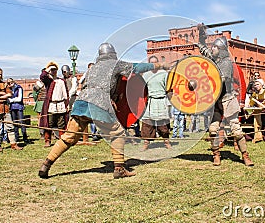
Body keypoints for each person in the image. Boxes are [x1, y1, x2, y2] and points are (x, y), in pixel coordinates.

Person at [38, 42, 169, 179]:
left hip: (81, 103)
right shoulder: (115, 64)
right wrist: (158, 66)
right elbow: (137, 68)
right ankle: (119, 169)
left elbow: (92, 86)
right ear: (112, 54)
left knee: (69, 137)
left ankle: (46, 164)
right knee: (117, 133)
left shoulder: (92, 68)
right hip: (99, 104)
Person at [197, 35, 254, 166]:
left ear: (221, 49)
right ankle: (216, 154)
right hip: (216, 102)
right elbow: (205, 51)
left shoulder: (227, 62)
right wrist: (200, 37)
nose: (212, 49)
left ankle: (245, 155)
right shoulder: (214, 61)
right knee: (212, 130)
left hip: (228, 99)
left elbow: (221, 79)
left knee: (236, 129)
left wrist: (204, 81)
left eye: (215, 47)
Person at [140, 55, 172, 151]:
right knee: (147, 123)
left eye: (155, 62)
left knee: (163, 123)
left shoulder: (164, 74)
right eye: (151, 62)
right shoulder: (146, 75)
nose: (153, 64)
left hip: (161, 100)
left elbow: (169, 88)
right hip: (150, 101)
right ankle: (146, 143)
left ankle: (166, 142)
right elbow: (143, 89)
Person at [40, 61, 69, 147]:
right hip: (51, 105)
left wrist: (67, 104)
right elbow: (42, 76)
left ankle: (62, 140)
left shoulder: (61, 81)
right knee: (49, 123)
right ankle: (47, 140)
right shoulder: (48, 81)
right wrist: (48, 69)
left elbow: (65, 94)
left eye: (54, 69)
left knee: (61, 123)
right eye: (52, 70)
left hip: (60, 105)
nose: (53, 71)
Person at [7, 78, 29, 144]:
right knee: (14, 123)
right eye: (8, 83)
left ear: (13, 82)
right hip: (12, 108)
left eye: (11, 82)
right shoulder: (9, 89)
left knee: (22, 123)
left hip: (19, 107)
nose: (10, 84)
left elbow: (20, 99)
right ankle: (16, 138)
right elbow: (8, 99)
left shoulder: (19, 88)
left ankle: (25, 137)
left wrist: (12, 100)